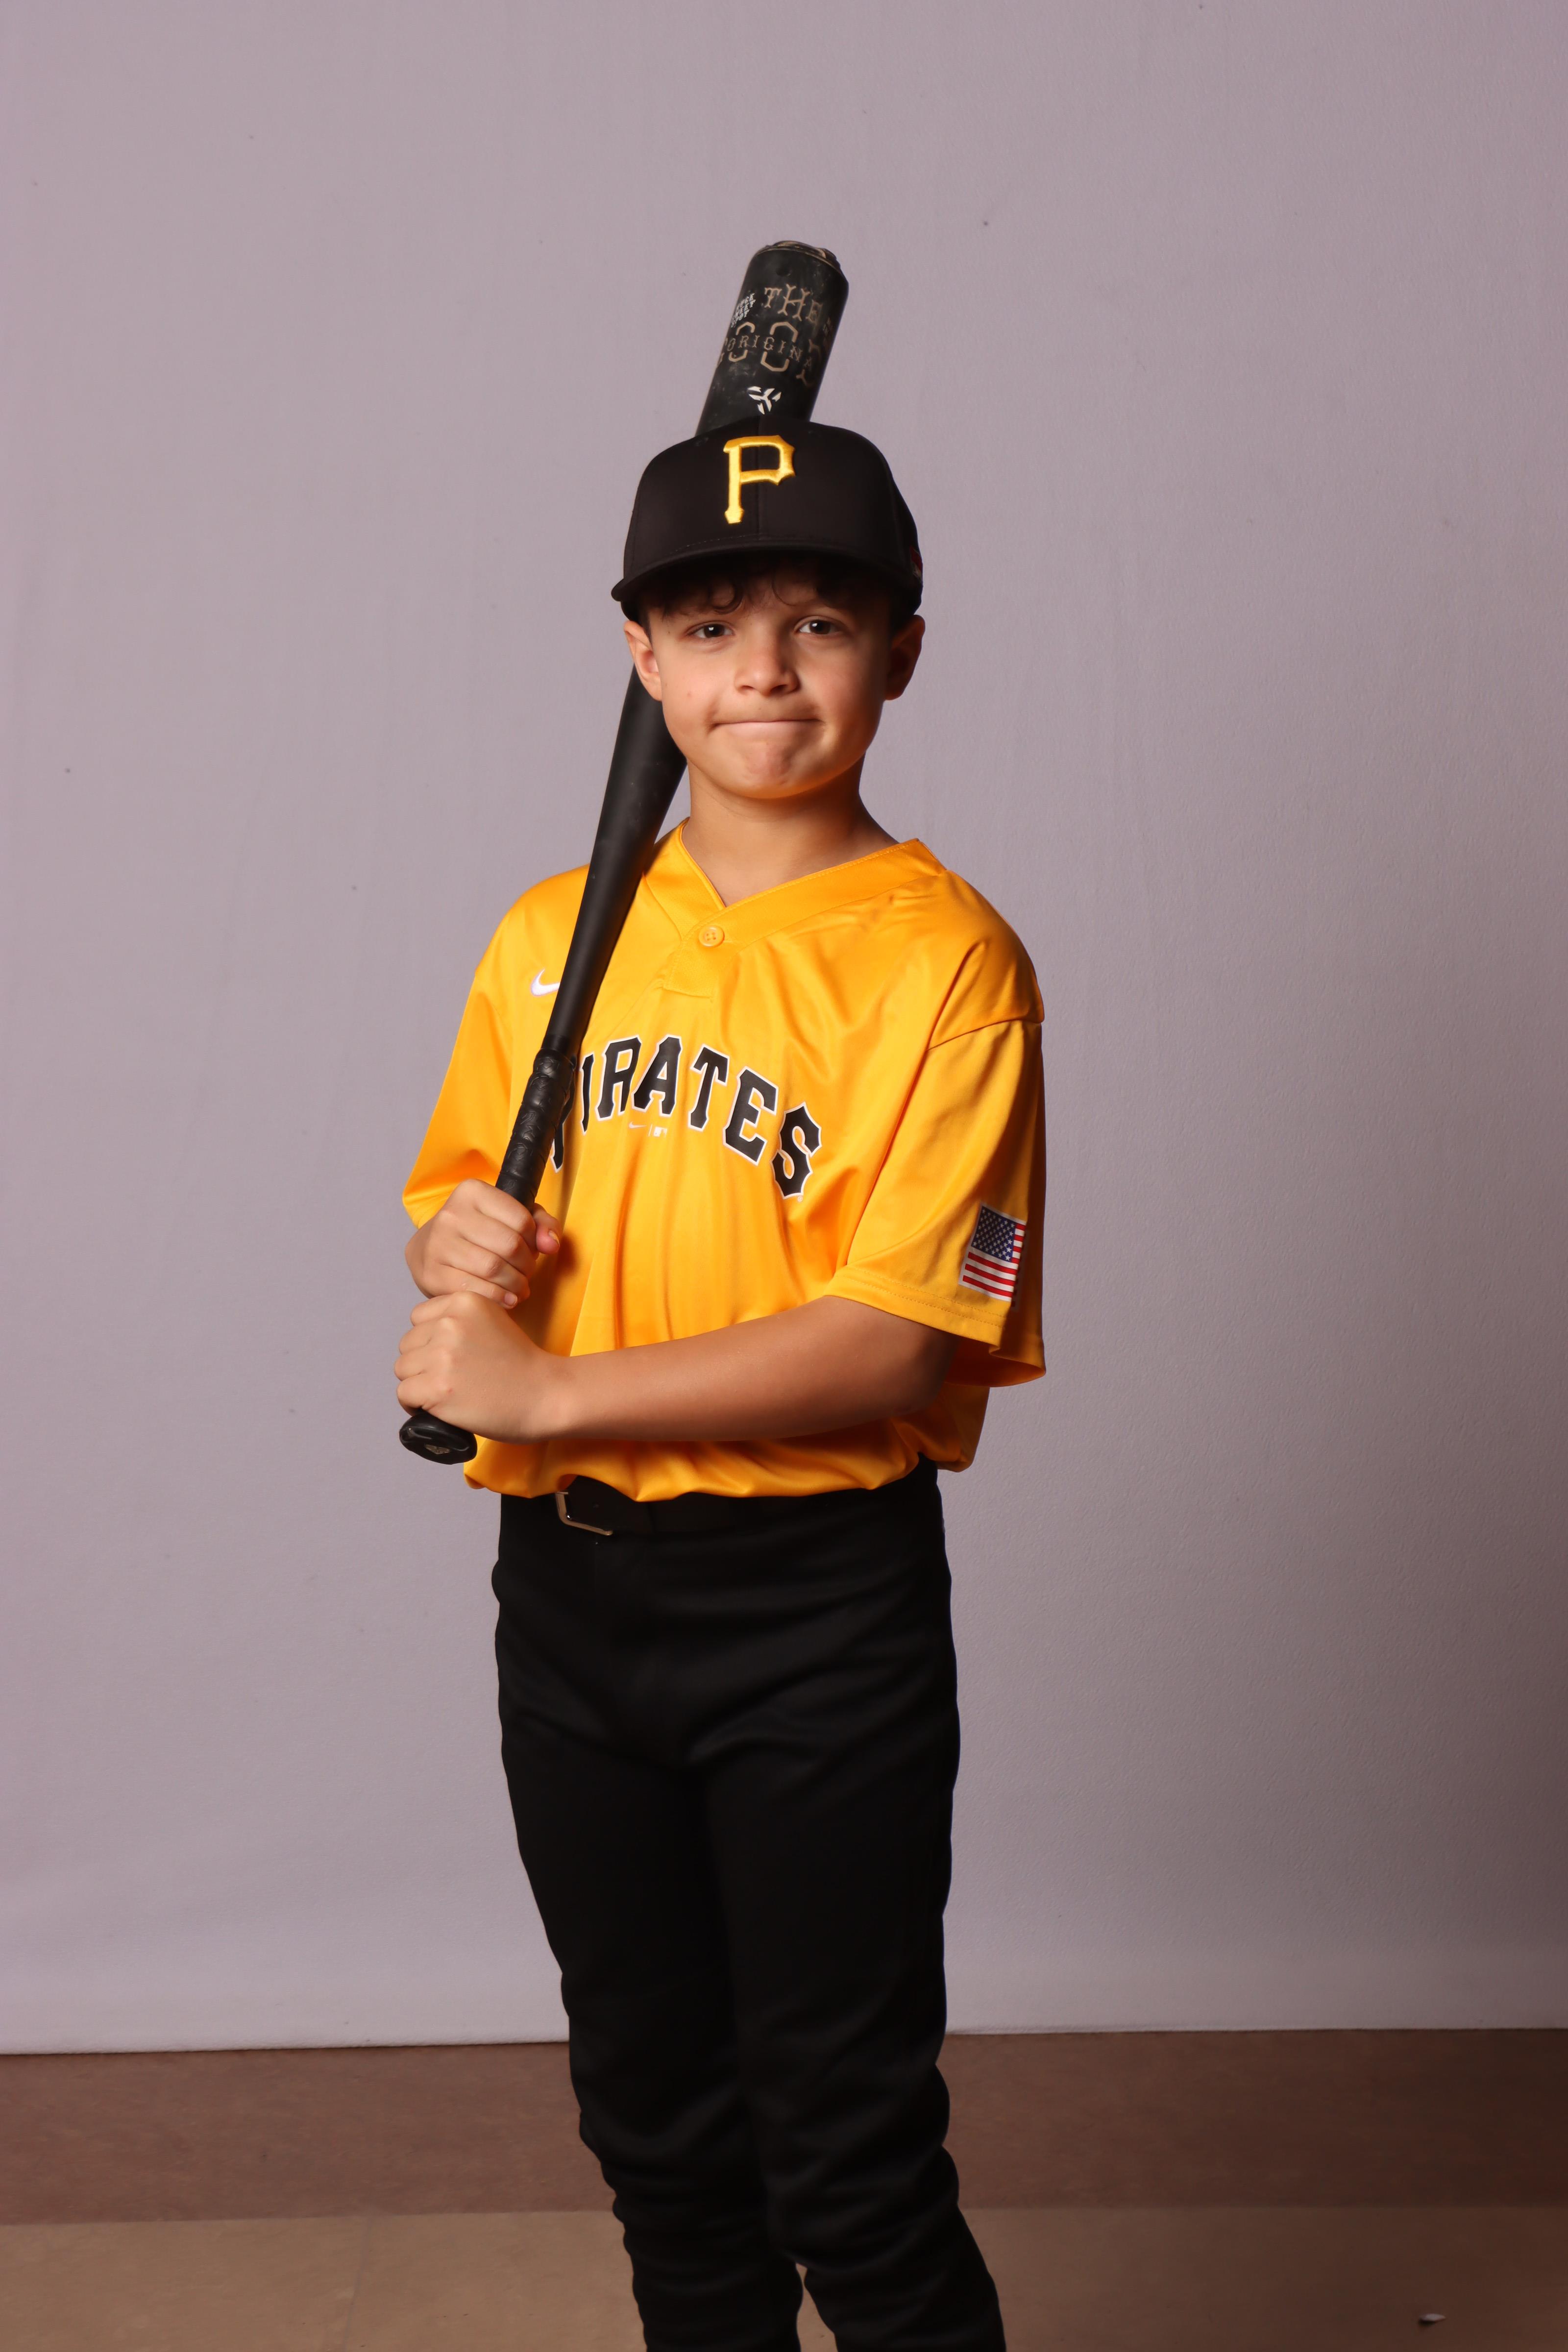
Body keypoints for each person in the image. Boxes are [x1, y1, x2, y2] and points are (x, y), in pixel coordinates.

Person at [395, 419, 1044, 2352]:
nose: (761, 669)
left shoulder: (946, 964)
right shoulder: (553, 937)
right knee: (658, 2134)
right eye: (707, 625)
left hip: (813, 1614)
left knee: (846, 2153)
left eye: (818, 622)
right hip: (570, 1605)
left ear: (900, 651)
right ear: (642, 660)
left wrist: (540, 1391)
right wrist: (452, 1249)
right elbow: (463, 1199)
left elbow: (896, 1338)